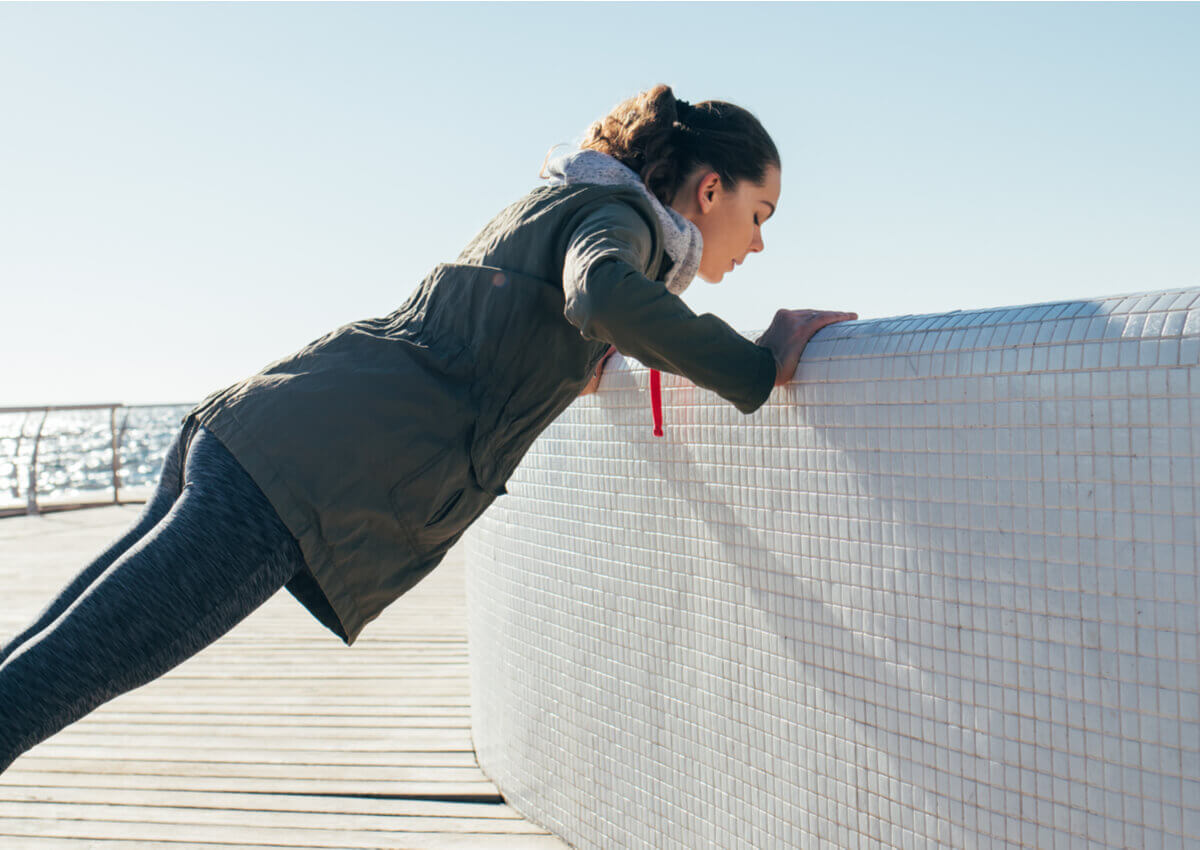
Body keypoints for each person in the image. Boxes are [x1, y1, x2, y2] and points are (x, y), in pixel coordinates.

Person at [0, 84, 856, 772]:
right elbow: (599, 293)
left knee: (54, 655)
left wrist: (576, 360)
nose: (757, 242)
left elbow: (530, 319)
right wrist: (760, 362)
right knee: (70, 671)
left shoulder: (567, 203)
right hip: (302, 475)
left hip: (272, 425)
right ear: (711, 190)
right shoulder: (619, 223)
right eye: (761, 214)